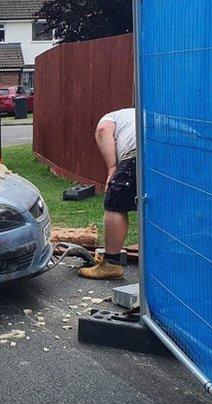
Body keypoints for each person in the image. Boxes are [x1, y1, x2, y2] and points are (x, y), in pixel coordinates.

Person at [79, 108, 137, 280]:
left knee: (115, 203)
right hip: (175, 152)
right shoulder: (142, 113)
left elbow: (103, 131)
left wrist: (112, 167)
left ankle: (111, 264)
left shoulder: (110, 118)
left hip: (138, 151)